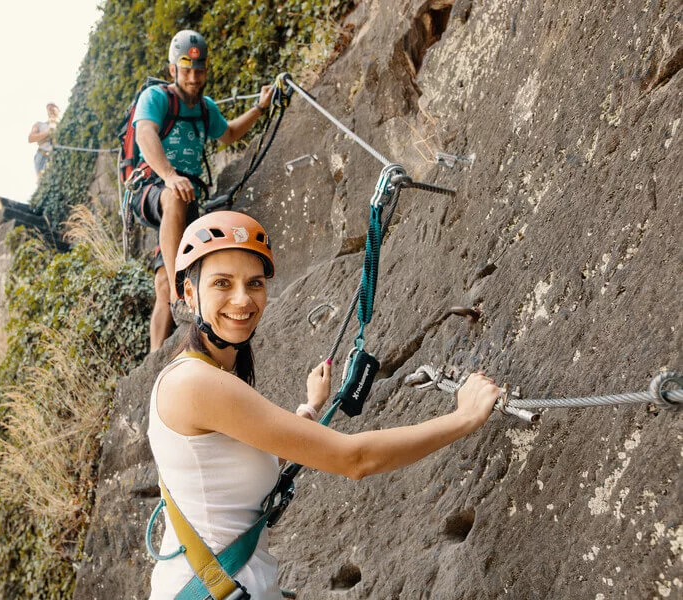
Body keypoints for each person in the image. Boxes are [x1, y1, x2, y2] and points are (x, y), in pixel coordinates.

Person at [147, 211, 502, 598]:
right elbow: (356, 459)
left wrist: (310, 410)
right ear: (187, 293)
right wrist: (464, 417)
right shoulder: (196, 383)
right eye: (222, 283)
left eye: (254, 283)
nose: (242, 299)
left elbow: (238, 461)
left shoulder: (205, 374)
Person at [130, 30, 274, 353]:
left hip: (187, 197)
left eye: (199, 71)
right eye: (187, 70)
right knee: (174, 199)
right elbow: (144, 136)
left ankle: (155, 359)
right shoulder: (156, 98)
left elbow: (230, 133)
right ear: (173, 70)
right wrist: (168, 175)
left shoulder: (206, 109)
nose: (194, 78)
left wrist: (260, 108)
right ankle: (181, 298)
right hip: (153, 187)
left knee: (163, 282)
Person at [29, 103, 60, 180]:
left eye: (53, 107)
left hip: (59, 153)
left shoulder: (65, 123)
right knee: (43, 179)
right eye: (49, 109)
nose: (51, 110)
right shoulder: (40, 124)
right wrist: (47, 132)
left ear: (59, 110)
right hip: (43, 154)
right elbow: (31, 138)